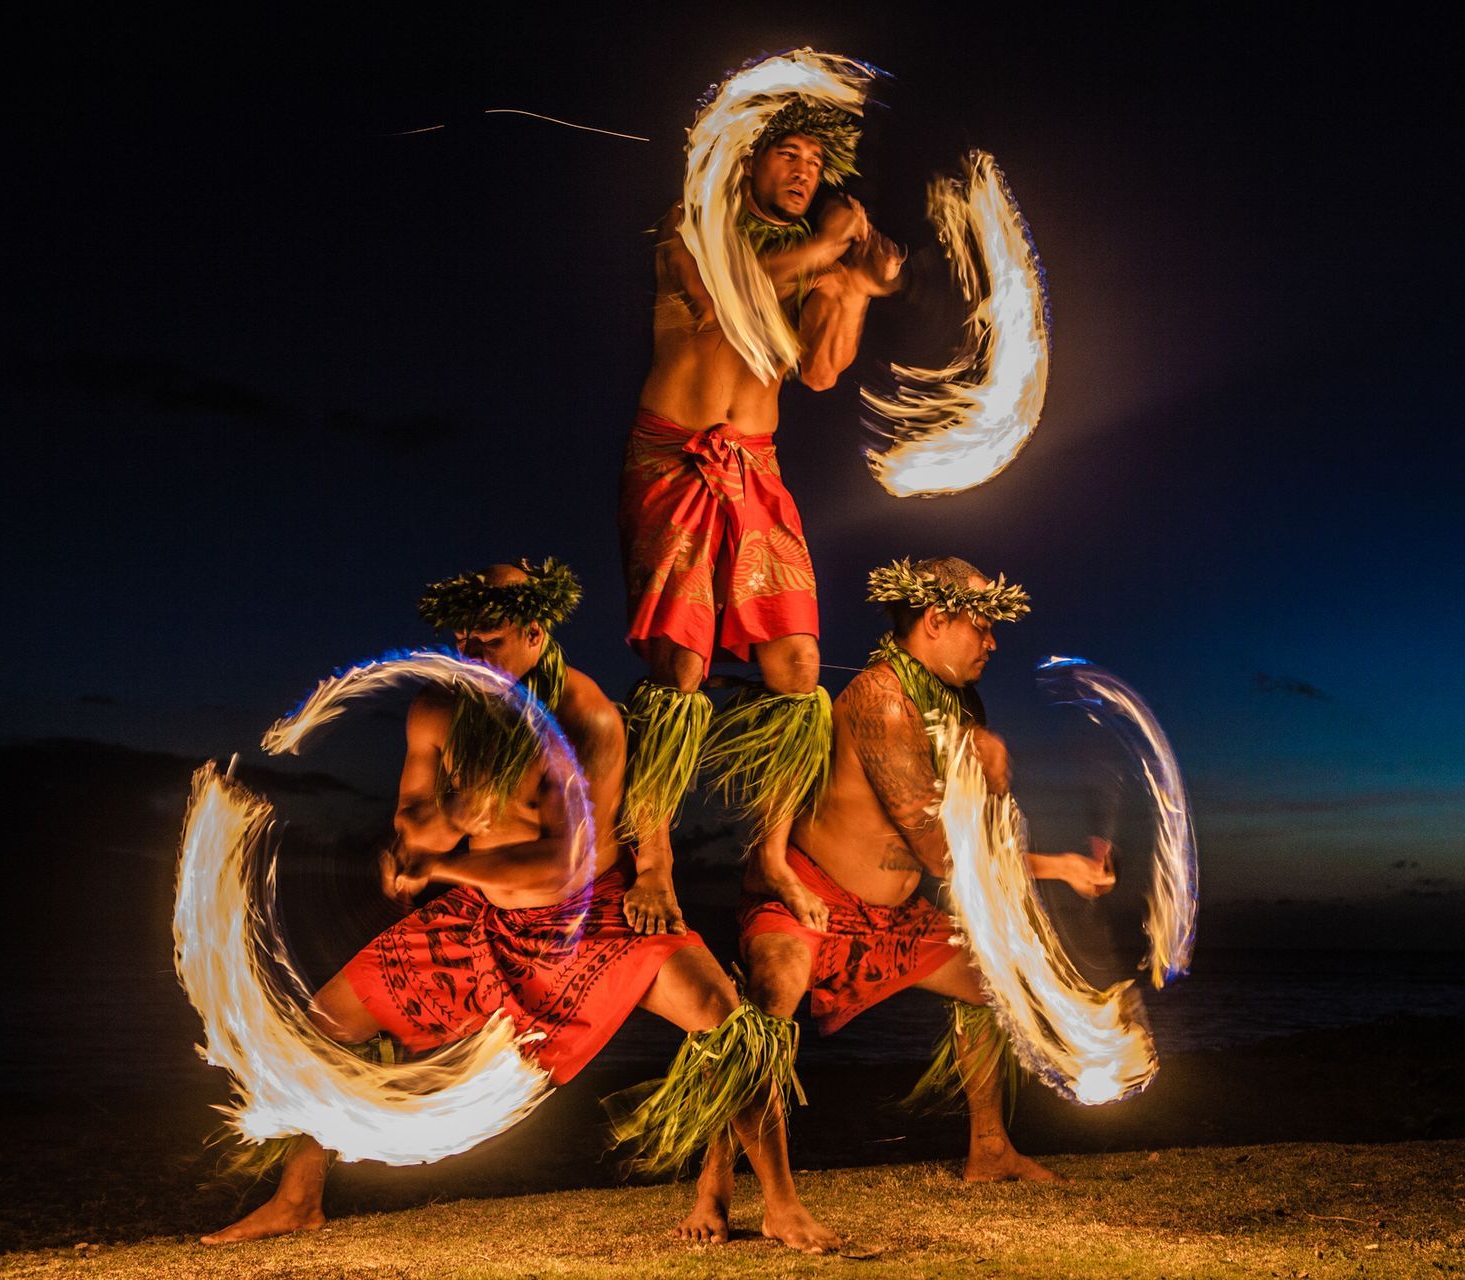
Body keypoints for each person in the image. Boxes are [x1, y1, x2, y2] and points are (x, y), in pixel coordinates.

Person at [202, 560, 836, 1253]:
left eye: (491, 641)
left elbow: (557, 870)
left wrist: (443, 860)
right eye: (464, 642)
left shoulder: (584, 717)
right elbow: (413, 822)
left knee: (729, 1023)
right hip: (483, 916)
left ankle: (779, 1204)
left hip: (596, 917)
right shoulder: (439, 709)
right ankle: (297, 1199)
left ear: (536, 633)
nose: (471, 656)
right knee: (324, 1024)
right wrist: (452, 816)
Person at [679, 557, 1114, 1220]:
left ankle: (990, 1149)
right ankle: (724, 1185)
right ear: (936, 620)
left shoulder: (957, 704)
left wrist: (991, 776)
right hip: (809, 899)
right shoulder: (883, 700)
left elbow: (970, 820)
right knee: (766, 1012)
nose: (993, 641)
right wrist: (1057, 867)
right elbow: (941, 850)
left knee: (988, 984)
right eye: (982, 625)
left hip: (893, 918)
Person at [617, 94, 904, 937]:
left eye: (817, 165)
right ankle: (657, 859)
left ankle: (769, 853)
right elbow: (728, 297)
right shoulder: (693, 226)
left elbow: (817, 371)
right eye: (791, 157)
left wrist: (853, 287)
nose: (805, 174)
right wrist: (830, 246)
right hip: (674, 462)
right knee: (681, 668)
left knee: (798, 668)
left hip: (760, 472)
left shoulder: (809, 260)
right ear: (747, 161)